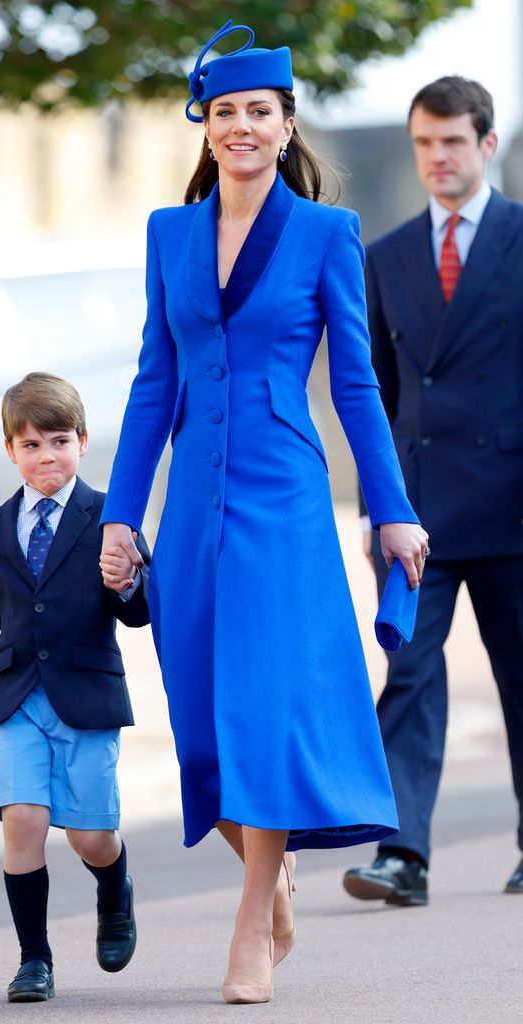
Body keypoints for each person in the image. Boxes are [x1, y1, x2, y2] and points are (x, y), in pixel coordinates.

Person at [99, 21, 427, 1005]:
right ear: (207, 128)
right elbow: (155, 378)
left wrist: (390, 508)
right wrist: (120, 512)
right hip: (191, 498)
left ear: (286, 129)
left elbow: (359, 388)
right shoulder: (168, 233)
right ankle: (269, 865)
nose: (242, 127)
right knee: (199, 719)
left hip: (283, 495)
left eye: (261, 113)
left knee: (260, 706)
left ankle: (252, 917)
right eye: (226, 112)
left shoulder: (327, 234)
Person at [343, 76, 523, 907]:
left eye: (452, 141)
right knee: (407, 668)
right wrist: (380, 505)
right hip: (416, 511)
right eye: (423, 142)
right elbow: (373, 390)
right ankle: (402, 853)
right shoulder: (383, 256)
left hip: (514, 501)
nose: (436, 157)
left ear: (486, 145)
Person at [0, 372, 150, 1002]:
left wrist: (129, 583)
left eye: (58, 441)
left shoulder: (111, 516)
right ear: (11, 451)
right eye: (30, 445)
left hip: (85, 696)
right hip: (11, 698)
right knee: (23, 819)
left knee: (89, 834)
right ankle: (35, 959)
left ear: (82, 441)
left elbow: (139, 613)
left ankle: (114, 888)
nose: (45, 456)